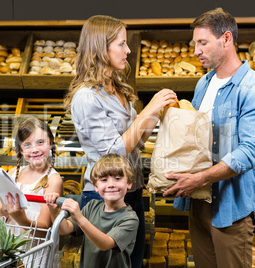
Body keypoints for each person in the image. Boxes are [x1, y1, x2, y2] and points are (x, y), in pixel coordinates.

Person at [163, 8, 255, 268]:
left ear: (226, 39)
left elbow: (250, 151)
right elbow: (193, 138)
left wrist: (200, 178)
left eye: (202, 43)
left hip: (231, 208)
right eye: (195, 44)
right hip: (199, 201)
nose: (195, 51)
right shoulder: (204, 83)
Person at [63, 14, 177, 267]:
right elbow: (112, 152)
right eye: (121, 44)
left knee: (132, 263)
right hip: (103, 197)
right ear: (100, 48)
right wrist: (148, 110)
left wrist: (160, 112)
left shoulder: (117, 89)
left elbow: (137, 141)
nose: (128, 50)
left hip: (130, 192)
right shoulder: (87, 97)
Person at [45, 153, 139, 268]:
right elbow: (64, 229)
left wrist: (80, 218)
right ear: (95, 186)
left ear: (129, 183)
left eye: (118, 178)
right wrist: (53, 210)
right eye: (104, 180)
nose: (111, 184)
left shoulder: (130, 218)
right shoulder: (92, 207)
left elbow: (105, 244)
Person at [0, 117, 63, 267]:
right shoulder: (12, 174)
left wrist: (20, 218)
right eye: (28, 144)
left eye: (40, 142)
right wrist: (5, 210)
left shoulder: (53, 180)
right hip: (9, 250)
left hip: (36, 254)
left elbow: (44, 231)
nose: (35, 149)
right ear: (21, 149)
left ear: (50, 143)